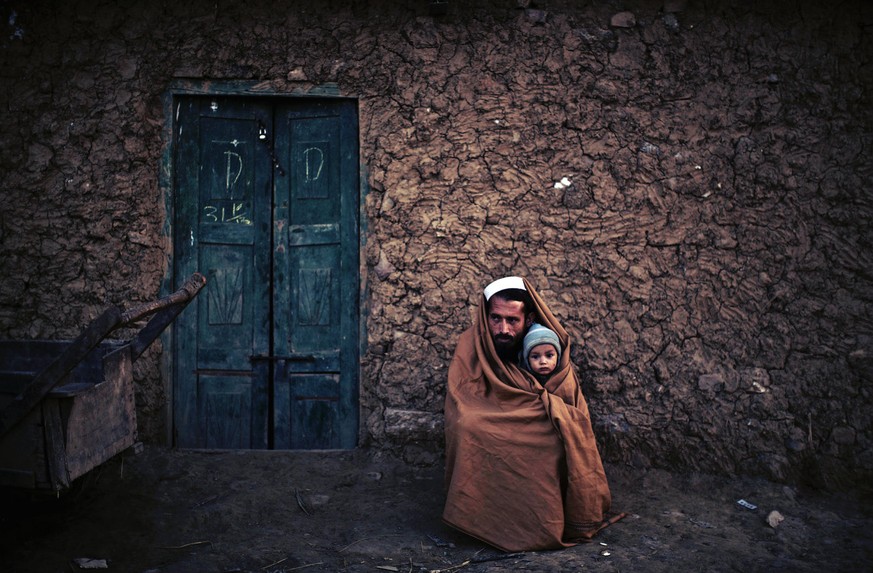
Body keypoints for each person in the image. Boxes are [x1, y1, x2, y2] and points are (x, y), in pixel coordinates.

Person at [442, 276, 619, 552]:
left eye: (512, 320)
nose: (503, 329)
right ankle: (481, 521)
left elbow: (565, 393)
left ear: (528, 318)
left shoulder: (545, 345)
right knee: (468, 425)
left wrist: (539, 406)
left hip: (536, 422)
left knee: (555, 435)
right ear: (485, 316)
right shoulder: (471, 343)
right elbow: (462, 397)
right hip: (489, 416)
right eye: (495, 318)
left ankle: (539, 524)